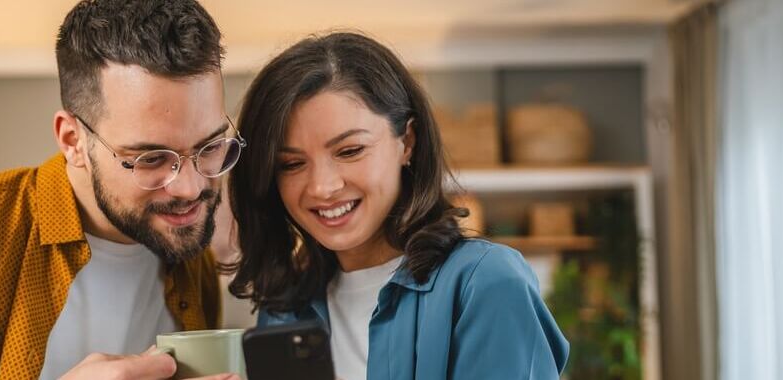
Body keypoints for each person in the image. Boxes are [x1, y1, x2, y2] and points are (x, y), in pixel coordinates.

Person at [0, 1, 243, 379]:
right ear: (72, 140)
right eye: (150, 159)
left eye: (209, 147)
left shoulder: (188, 248)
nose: (190, 188)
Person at [226, 32, 569, 380]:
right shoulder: (286, 309)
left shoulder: (487, 283)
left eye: (349, 151)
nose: (322, 187)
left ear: (407, 142)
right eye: (291, 164)